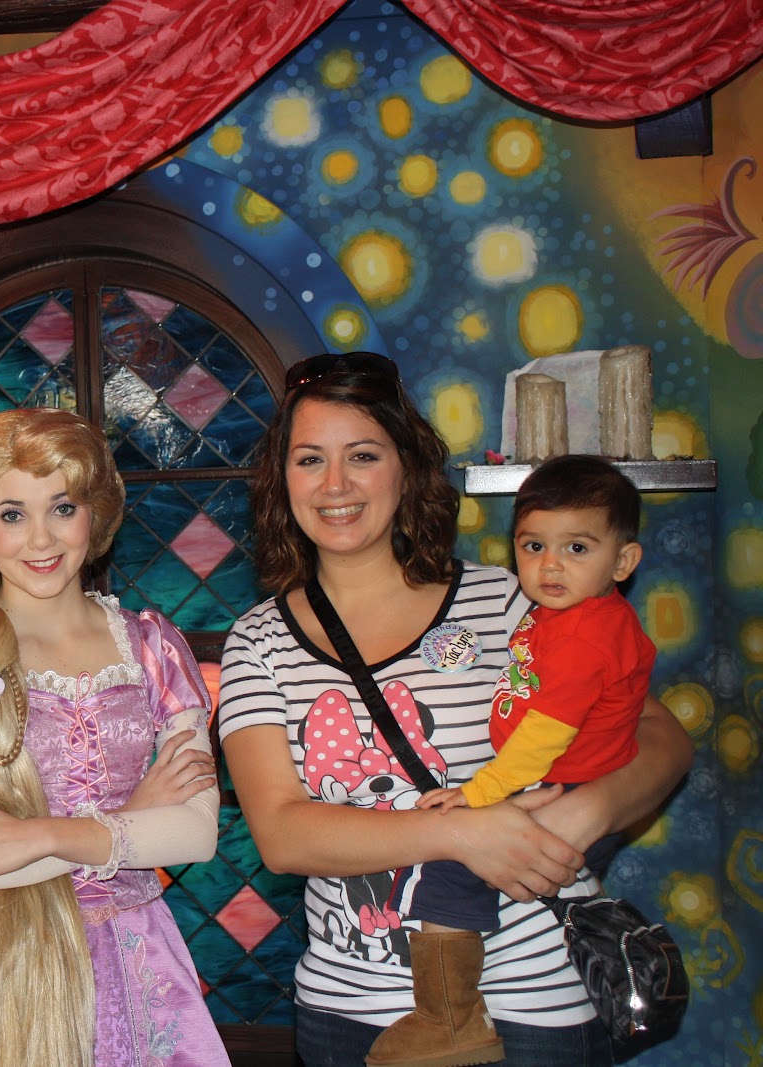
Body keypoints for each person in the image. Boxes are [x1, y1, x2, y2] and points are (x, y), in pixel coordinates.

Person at [216, 352, 691, 1067]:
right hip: (353, 1012)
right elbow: (283, 835)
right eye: (310, 459)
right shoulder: (258, 641)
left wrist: (587, 813)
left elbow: (662, 736)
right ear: (283, 480)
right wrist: (463, 833)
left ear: (406, 468)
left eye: (363, 455)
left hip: (531, 1003)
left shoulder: (510, 602)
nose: (335, 484)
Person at [0, 407, 229, 1067]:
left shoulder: (153, 647)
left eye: (62, 507)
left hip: (140, 971)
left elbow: (196, 834)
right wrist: (131, 821)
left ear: (95, 512)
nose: (41, 538)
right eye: (12, 513)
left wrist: (37, 837)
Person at [382, 455, 658, 1060]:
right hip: (559, 781)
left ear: (623, 561)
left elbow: (543, 738)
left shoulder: (588, 633)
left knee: (451, 870)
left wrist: (477, 796)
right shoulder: (567, 614)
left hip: (566, 785)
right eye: (534, 546)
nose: (550, 564)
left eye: (577, 548)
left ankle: (449, 1019)